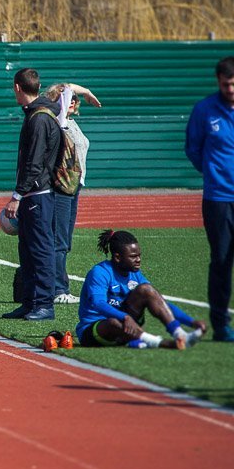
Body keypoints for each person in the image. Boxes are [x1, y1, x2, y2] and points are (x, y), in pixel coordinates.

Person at [76, 229, 206, 349]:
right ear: (117, 257)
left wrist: (192, 322)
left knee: (147, 290)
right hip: (95, 331)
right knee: (113, 322)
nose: (138, 260)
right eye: (133, 256)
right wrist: (125, 316)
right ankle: (159, 342)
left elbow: (160, 303)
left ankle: (179, 334)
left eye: (139, 255)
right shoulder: (100, 272)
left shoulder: (135, 273)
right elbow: (98, 304)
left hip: (127, 327)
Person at [2, 67, 61, 321]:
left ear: (17, 87)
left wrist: (17, 195)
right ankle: (29, 302)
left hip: (38, 194)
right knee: (26, 250)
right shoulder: (38, 113)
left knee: (40, 250)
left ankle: (44, 304)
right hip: (34, 194)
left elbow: (34, 163)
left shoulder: (39, 118)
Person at [185, 56, 234, 342]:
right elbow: (193, 148)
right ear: (218, 81)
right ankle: (221, 324)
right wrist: (213, 173)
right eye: (227, 84)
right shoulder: (204, 110)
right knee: (221, 261)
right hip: (218, 199)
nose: (231, 90)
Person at [45, 82, 102, 305]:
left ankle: (53, 286)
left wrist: (84, 95)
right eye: (68, 99)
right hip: (61, 188)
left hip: (74, 186)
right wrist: (85, 91)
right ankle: (59, 289)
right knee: (59, 240)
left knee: (64, 240)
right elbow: (66, 87)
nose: (73, 102)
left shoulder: (72, 122)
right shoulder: (58, 123)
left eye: (75, 101)